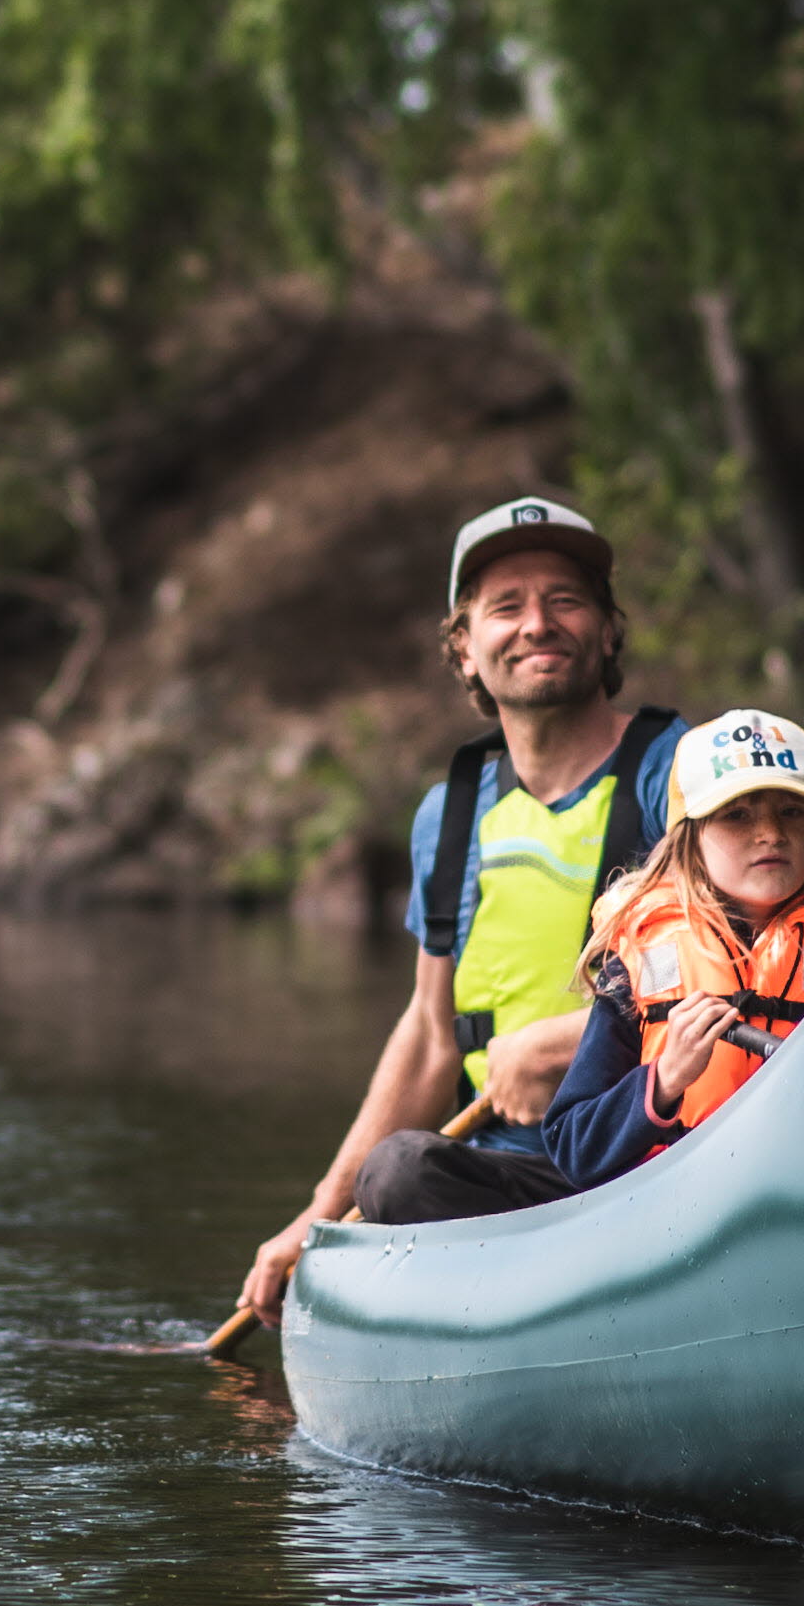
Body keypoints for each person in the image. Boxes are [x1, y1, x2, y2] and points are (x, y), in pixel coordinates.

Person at [231, 498, 686, 1326]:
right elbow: (430, 1033)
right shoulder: (451, 813)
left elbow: (748, 967)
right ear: (464, 652)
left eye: (567, 599)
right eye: (506, 606)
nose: (537, 623)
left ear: (610, 631)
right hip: (512, 1181)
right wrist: (320, 1217)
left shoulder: (678, 772)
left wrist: (563, 1043)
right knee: (398, 1173)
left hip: (655, 1158)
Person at [342, 704, 804, 1227]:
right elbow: (574, 1142)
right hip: (655, 1211)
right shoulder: (637, 963)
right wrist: (662, 1082)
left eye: (791, 812)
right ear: (689, 838)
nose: (770, 833)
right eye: (738, 815)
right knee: (400, 1170)